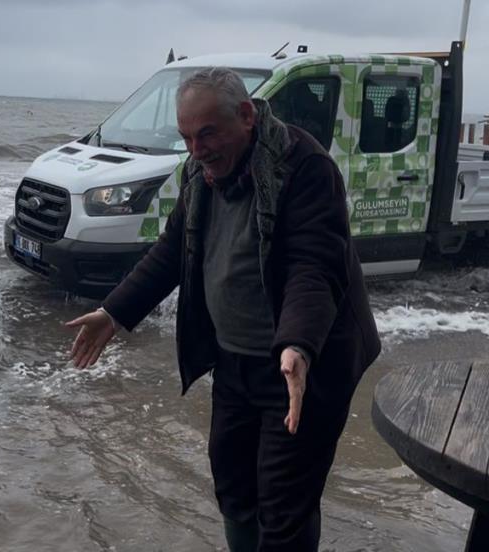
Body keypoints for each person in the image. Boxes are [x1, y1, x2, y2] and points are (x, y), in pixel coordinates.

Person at [65, 67, 381, 552]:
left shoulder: (304, 168)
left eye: (208, 132)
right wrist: (113, 313)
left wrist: (298, 344)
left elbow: (313, 267)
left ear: (247, 116)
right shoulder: (200, 170)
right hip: (235, 363)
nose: (198, 148)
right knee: (234, 491)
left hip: (303, 368)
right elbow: (174, 249)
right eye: (187, 137)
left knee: (285, 507)